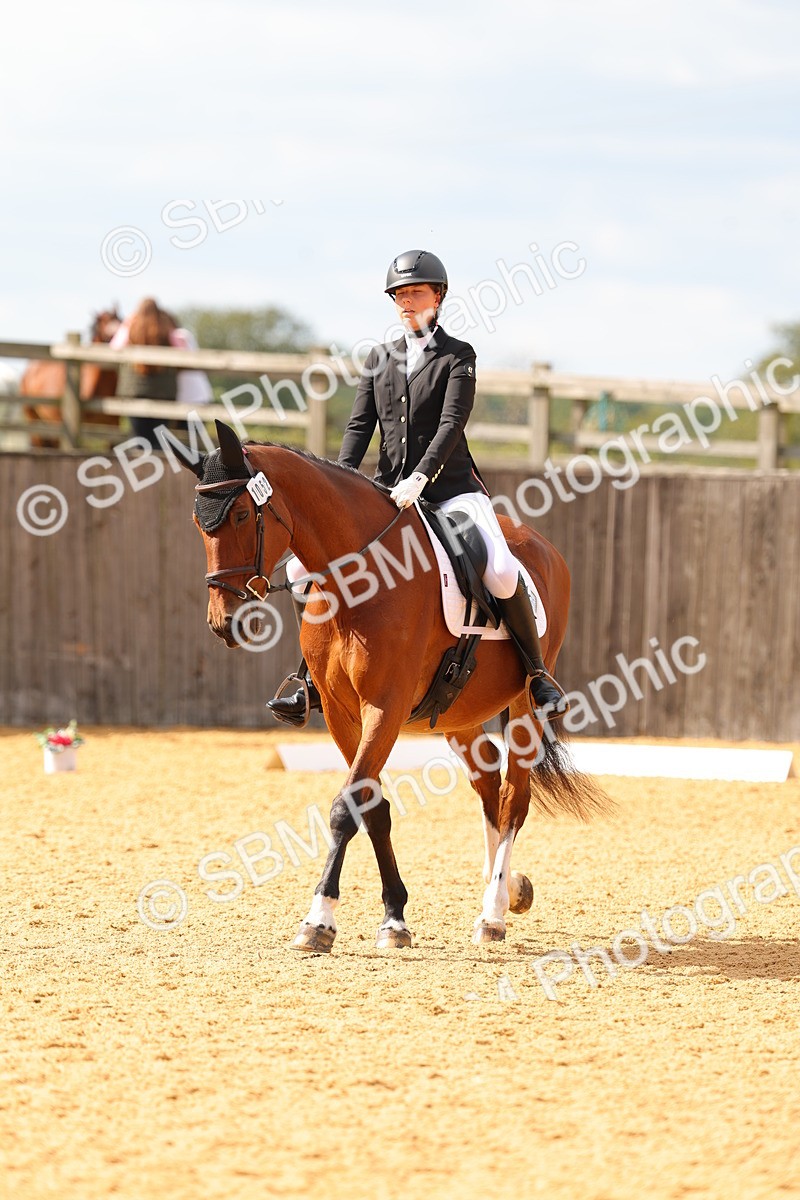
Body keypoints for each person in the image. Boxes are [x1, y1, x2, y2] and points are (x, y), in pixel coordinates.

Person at [267, 249, 568, 726]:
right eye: (400, 295)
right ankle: (309, 677)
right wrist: (338, 486)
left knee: (500, 567)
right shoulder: (378, 358)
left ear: (438, 297)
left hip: (450, 489)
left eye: (416, 293)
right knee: (308, 570)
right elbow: (358, 427)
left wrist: (422, 476)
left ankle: (536, 674)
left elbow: (452, 423)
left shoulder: (457, 356)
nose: (407, 302)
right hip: (386, 494)